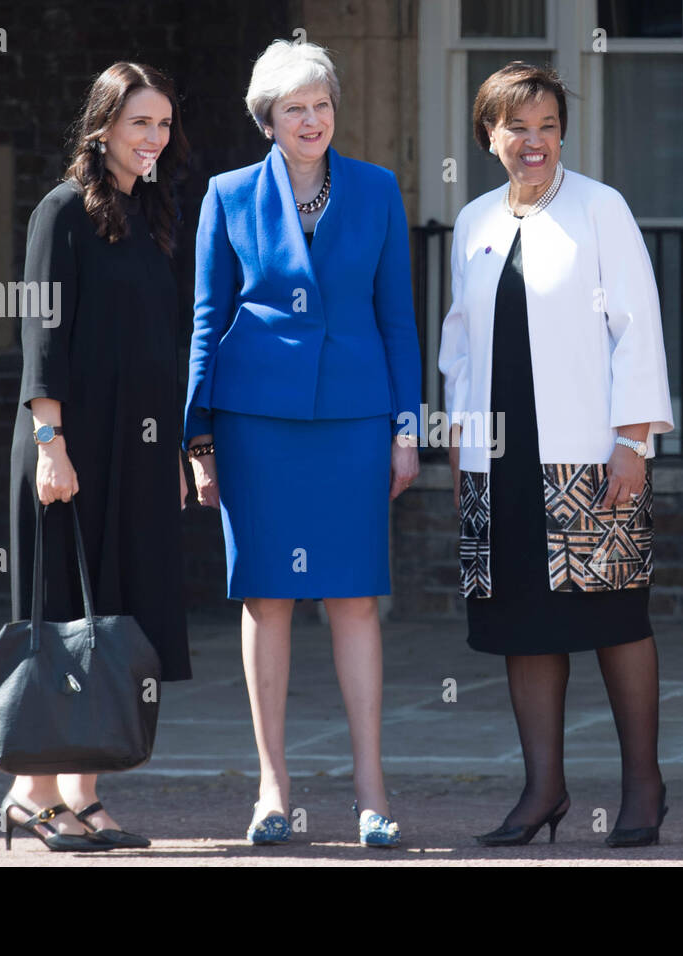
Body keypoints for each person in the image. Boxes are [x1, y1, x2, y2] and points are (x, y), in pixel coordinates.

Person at [184, 39, 421, 848]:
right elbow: (208, 321)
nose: (312, 120)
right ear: (268, 120)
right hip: (256, 422)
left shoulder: (379, 190)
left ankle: (371, 789)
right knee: (268, 598)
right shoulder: (227, 195)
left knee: (354, 596)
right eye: (295, 108)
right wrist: (199, 439)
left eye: (322, 104)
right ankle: (272, 788)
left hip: (355, 421)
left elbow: (399, 319)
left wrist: (406, 429)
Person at [439, 61, 675, 847]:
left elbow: (637, 327)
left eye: (546, 125)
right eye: (516, 127)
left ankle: (643, 786)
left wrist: (633, 441)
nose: (533, 141)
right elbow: (461, 343)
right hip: (497, 462)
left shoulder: (602, 209)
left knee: (614, 617)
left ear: (562, 132)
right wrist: (456, 441)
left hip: (587, 457)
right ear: (489, 136)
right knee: (521, 624)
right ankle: (543, 791)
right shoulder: (473, 222)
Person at [4, 62, 192, 851]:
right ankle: (32, 792)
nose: (153, 138)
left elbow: (166, 339)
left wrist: (179, 448)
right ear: (104, 125)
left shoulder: (155, 212)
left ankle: (83, 793)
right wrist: (51, 443)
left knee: (112, 618)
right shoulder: (60, 212)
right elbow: (41, 339)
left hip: (140, 446)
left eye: (162, 125)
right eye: (138, 122)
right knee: (59, 614)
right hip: (71, 442)